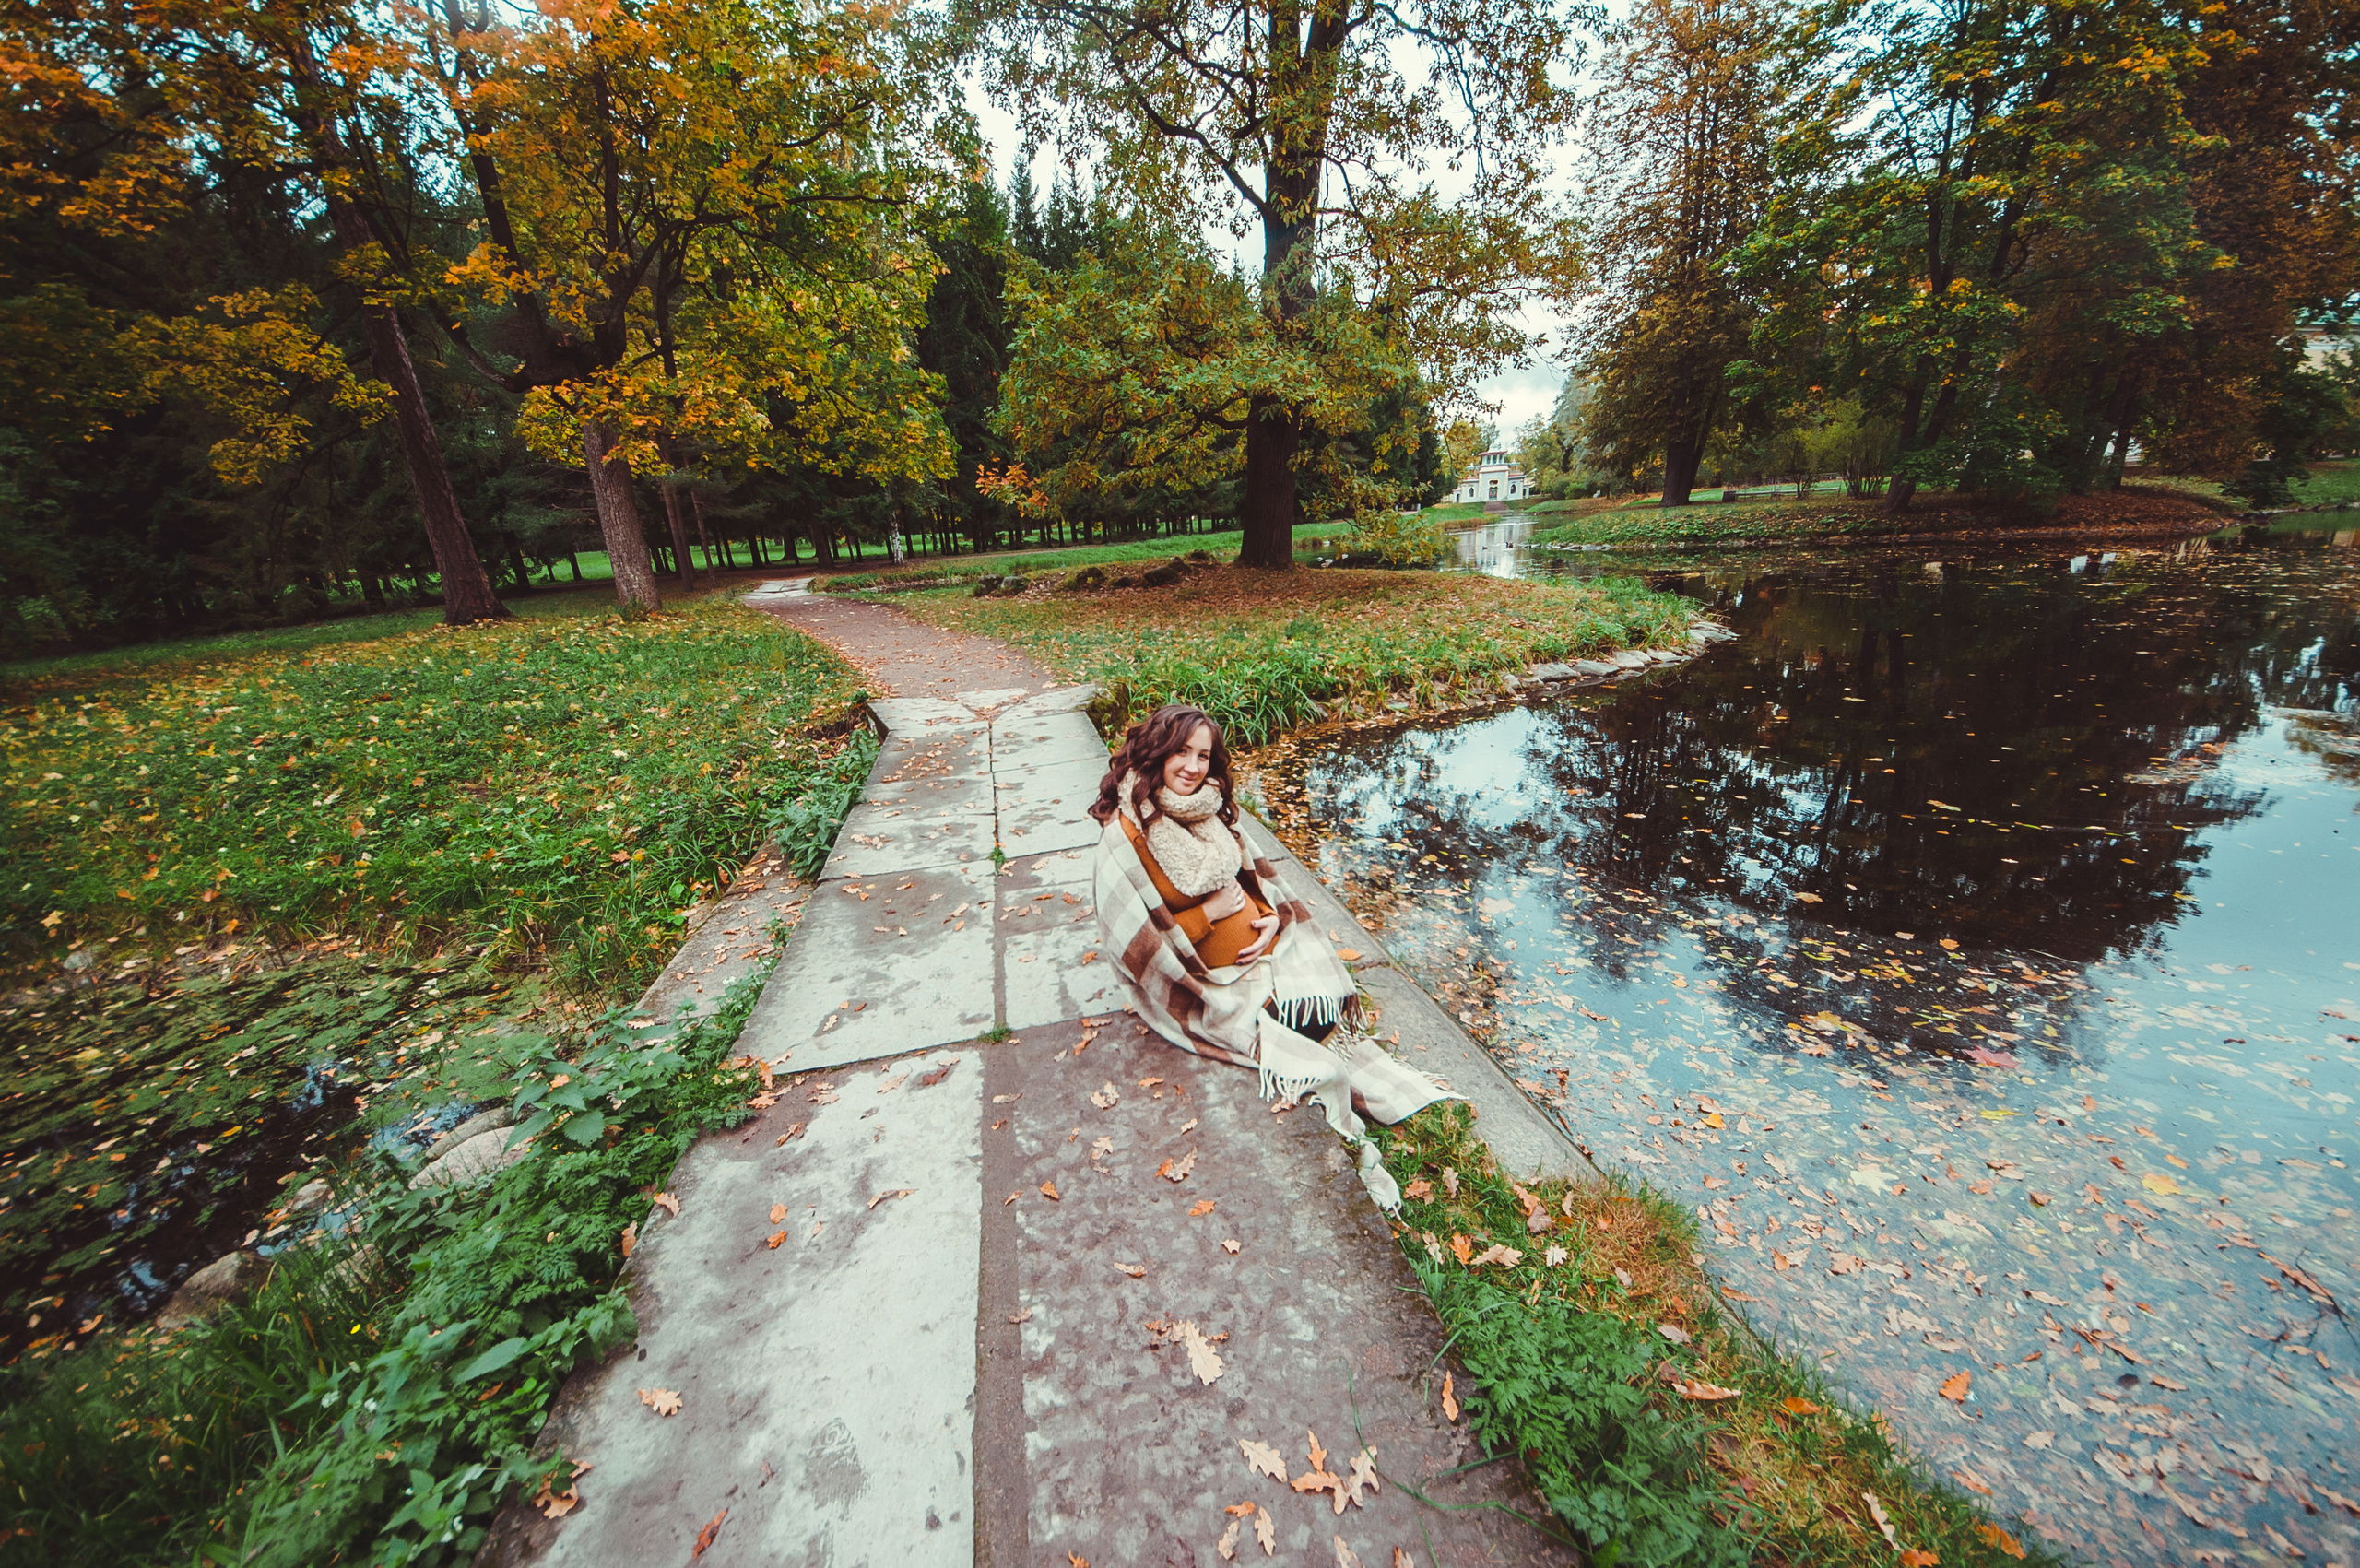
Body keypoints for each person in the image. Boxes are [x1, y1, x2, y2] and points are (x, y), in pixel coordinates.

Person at [1088, 703, 1457, 1210]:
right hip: (1199, 980)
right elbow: (1135, 942)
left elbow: (1252, 879)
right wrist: (1212, 914)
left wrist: (1264, 917)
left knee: (1320, 1002)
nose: (1193, 767)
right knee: (1307, 1051)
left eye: (1203, 755)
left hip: (1253, 958)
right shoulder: (1126, 834)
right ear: (1156, 751)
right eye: (1182, 752)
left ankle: (1353, 1069)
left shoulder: (1204, 810)